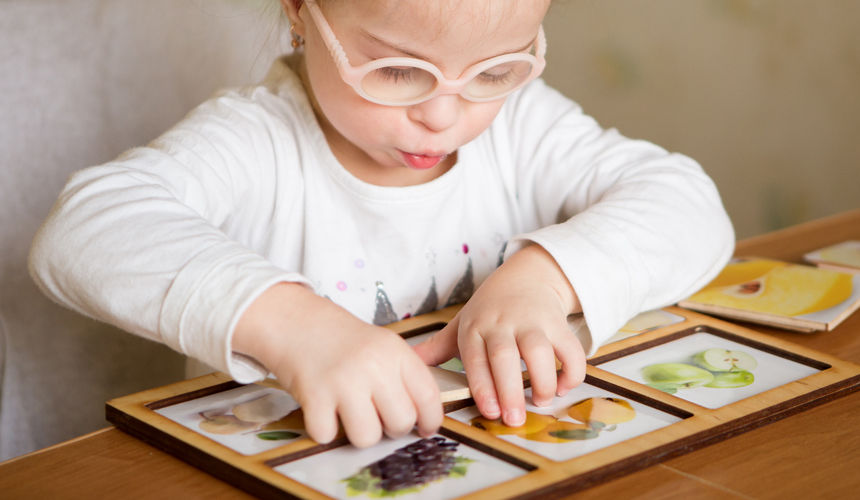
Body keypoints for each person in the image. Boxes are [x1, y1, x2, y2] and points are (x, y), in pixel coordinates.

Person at [29, 0, 734, 448]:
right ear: (301, 12)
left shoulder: (522, 124)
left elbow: (686, 203)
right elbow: (84, 228)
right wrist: (299, 327)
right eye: (398, 72)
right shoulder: (256, 141)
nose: (443, 116)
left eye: (494, 71)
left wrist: (540, 283)